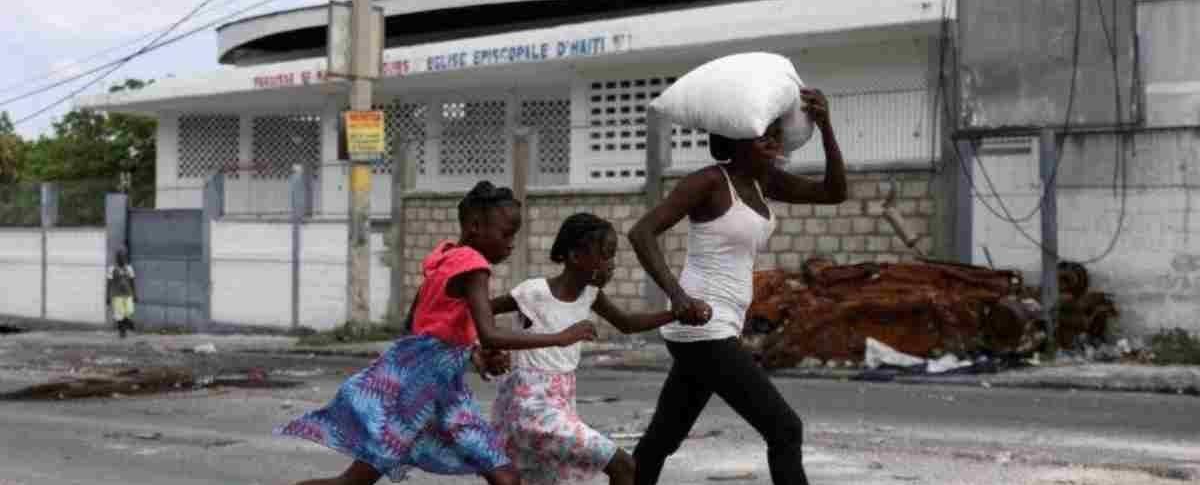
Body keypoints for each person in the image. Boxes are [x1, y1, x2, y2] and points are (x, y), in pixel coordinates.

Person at [276, 181, 598, 485]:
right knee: (504, 477)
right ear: (475, 226)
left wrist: (471, 354)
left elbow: (422, 325)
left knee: (501, 477)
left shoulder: (445, 257)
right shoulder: (473, 265)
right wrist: (561, 337)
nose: (511, 243)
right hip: (420, 398)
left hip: (430, 394)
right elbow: (489, 334)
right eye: (505, 233)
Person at [627, 88, 846, 485]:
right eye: (763, 136)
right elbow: (642, 233)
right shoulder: (709, 182)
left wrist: (826, 126)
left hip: (718, 327)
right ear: (735, 140)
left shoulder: (765, 182)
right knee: (785, 428)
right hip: (702, 326)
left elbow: (834, 193)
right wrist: (678, 296)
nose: (774, 142)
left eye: (776, 134)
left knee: (663, 437)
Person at [489, 213, 682, 485]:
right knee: (623, 465)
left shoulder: (590, 295)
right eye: (605, 255)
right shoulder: (534, 293)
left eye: (612, 256)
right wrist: (486, 348)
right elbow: (482, 311)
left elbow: (627, 323)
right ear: (575, 256)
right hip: (531, 407)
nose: (611, 264)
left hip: (562, 404)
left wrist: (675, 313)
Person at [106, 249, 136, 339]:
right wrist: (108, 296)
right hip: (117, 295)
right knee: (119, 314)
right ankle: (122, 332)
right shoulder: (112, 269)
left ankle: (128, 323)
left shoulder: (129, 268)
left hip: (128, 294)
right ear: (117, 258)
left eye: (123, 257)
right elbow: (109, 283)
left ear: (125, 258)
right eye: (120, 257)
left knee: (129, 311)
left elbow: (132, 281)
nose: (122, 259)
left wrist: (135, 294)